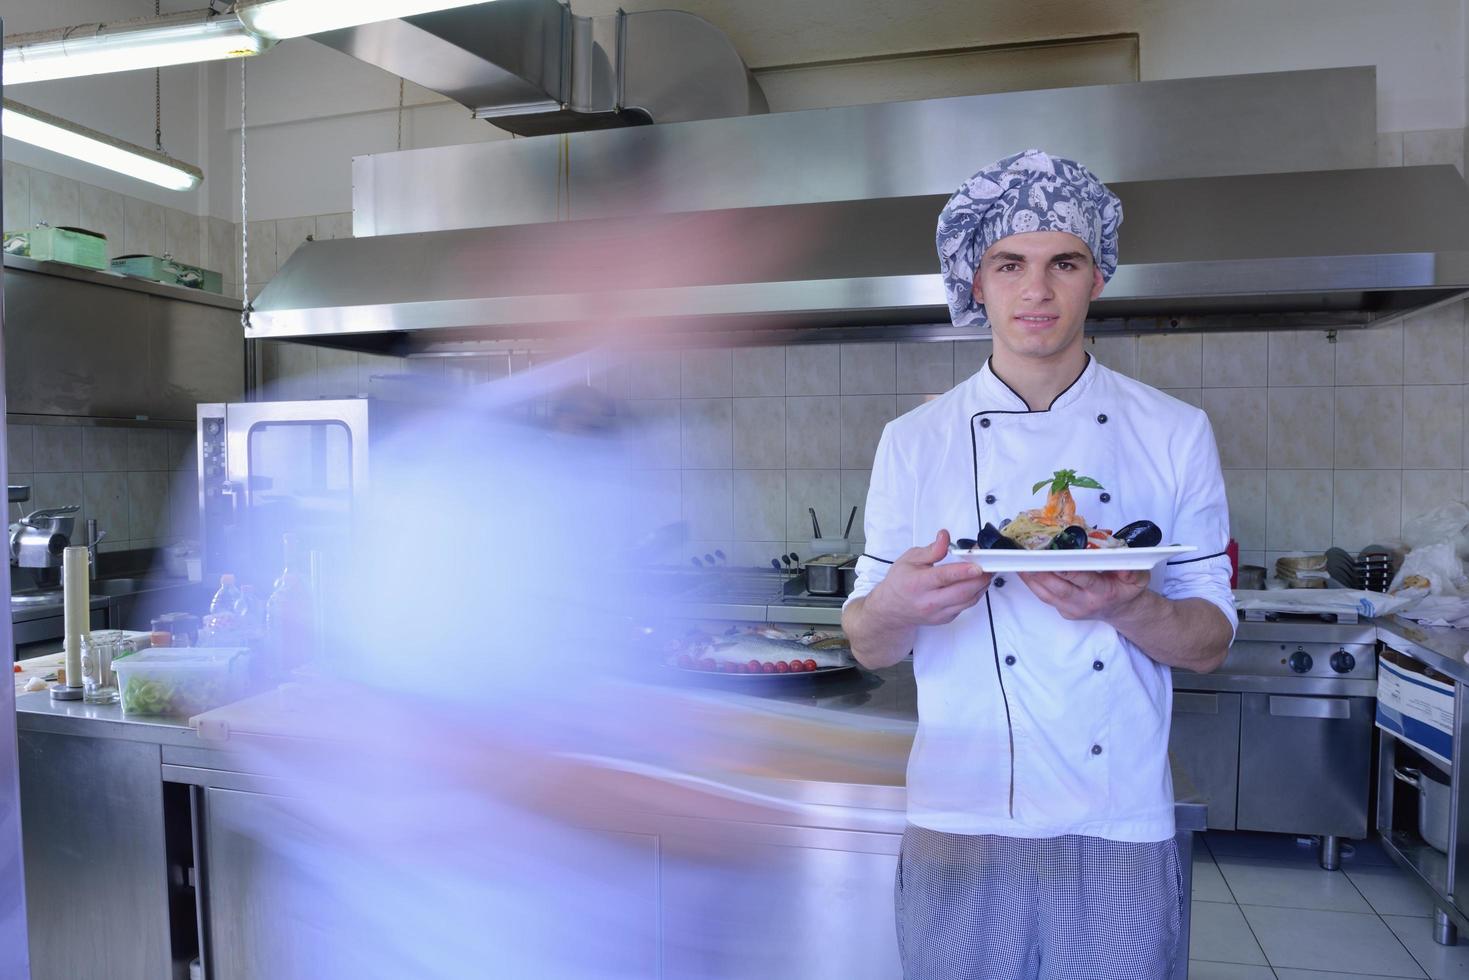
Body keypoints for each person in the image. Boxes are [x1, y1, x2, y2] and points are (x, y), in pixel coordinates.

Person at [841, 149, 1236, 979]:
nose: (1036, 290)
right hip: (960, 812)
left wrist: (1128, 608)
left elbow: (1208, 643)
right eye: (1008, 264)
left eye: (1064, 262)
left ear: (1097, 278)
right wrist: (903, 604)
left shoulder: (1173, 431)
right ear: (974, 281)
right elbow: (869, 645)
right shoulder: (913, 444)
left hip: (1117, 817)